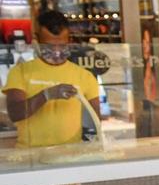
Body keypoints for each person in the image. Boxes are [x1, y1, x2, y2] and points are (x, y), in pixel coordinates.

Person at [2, 10, 100, 148]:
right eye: (50, 46)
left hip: (70, 155)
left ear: (69, 41)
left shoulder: (84, 76)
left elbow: (95, 121)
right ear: (36, 41)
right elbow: (15, 114)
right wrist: (46, 95)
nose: (56, 51)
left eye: (62, 45)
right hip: (31, 156)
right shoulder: (20, 72)